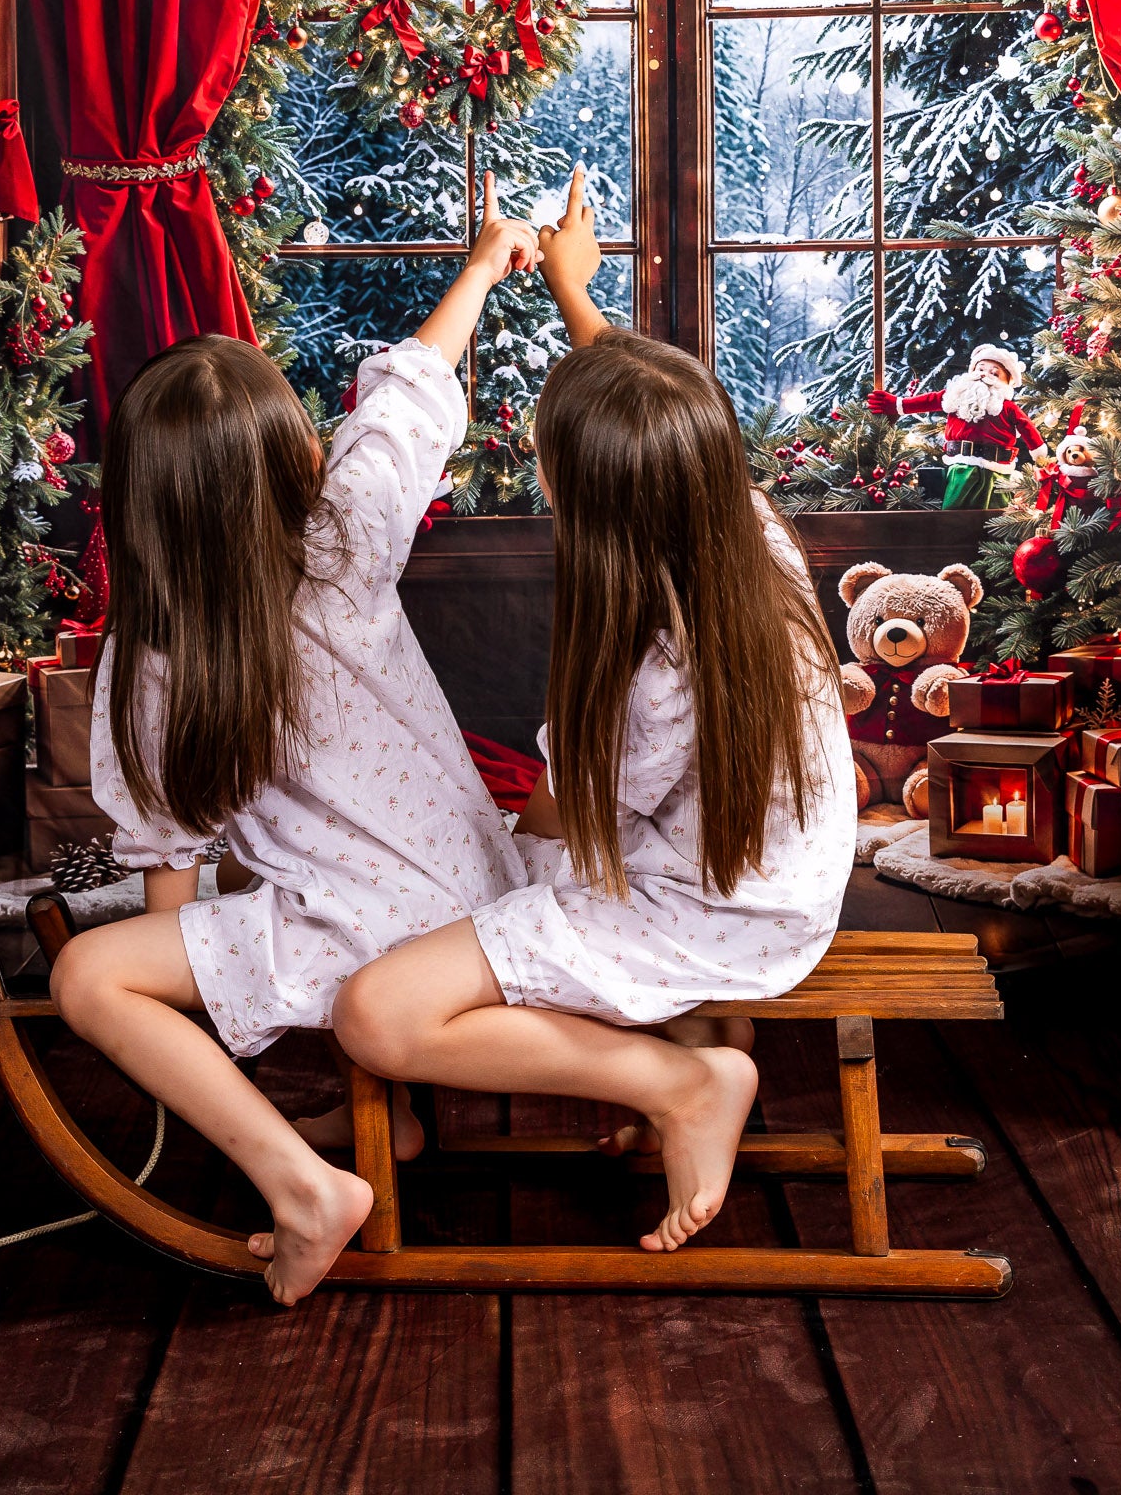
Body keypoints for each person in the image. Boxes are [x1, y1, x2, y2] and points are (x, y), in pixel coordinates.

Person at [333, 168, 856, 1254]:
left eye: (548, 466)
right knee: (469, 907)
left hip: (710, 915)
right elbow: (650, 414)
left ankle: (679, 1082)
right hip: (780, 884)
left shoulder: (652, 665)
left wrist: (493, 862)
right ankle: (674, 1060)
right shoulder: (742, 526)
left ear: (592, 503)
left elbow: (570, 814)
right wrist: (576, 290)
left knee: (376, 1009)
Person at [50, 177, 541, 1306]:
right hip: (475, 889)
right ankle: (395, 1122)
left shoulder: (150, 650)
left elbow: (167, 871)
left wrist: (203, 1012)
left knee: (93, 975)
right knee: (288, 887)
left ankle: (299, 1183)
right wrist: (478, 265)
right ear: (286, 456)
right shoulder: (346, 534)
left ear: (140, 498)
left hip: (373, 929)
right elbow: (410, 396)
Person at [900, 343, 1046, 510]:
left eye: (994, 373)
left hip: (997, 473)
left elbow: (1026, 427)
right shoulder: (956, 397)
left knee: (996, 514)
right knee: (954, 512)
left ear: (1006, 383)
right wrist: (897, 405)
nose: (984, 375)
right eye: (981, 369)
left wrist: (1040, 455)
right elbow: (928, 400)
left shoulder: (1007, 408)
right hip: (960, 469)